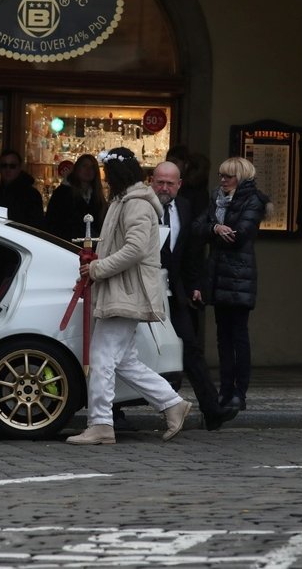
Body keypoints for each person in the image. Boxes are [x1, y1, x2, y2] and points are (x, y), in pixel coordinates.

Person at [66, 147, 192, 445]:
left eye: (108, 175)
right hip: (126, 289)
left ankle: (100, 423)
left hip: (126, 290)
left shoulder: (134, 204)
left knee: (102, 357)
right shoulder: (129, 201)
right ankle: (172, 403)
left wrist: (97, 269)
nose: (105, 180)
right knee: (123, 360)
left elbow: (134, 249)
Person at [151, 161, 238, 431]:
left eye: (169, 183)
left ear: (179, 185)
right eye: (160, 182)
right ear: (151, 182)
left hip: (174, 292)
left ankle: (211, 410)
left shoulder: (186, 207)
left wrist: (195, 286)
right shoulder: (140, 206)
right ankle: (115, 411)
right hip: (142, 289)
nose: (164, 188)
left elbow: (190, 253)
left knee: (191, 349)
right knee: (129, 349)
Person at [192, 157, 272, 413]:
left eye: (228, 176)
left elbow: (239, 236)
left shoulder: (253, 200)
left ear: (241, 177)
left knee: (238, 336)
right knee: (222, 337)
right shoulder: (216, 197)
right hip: (218, 276)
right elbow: (197, 228)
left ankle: (239, 392)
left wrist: (214, 231)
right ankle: (225, 390)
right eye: (221, 175)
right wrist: (215, 228)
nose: (223, 180)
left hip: (238, 277)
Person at [44, 154, 106, 242]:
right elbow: (52, 224)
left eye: (92, 167)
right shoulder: (62, 193)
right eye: (84, 166)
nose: (88, 170)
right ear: (77, 169)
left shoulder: (96, 195)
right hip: (68, 246)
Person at [0, 149, 44, 228]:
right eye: (4, 165)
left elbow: (36, 226)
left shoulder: (31, 195)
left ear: (19, 168)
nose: (8, 170)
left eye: (12, 166)